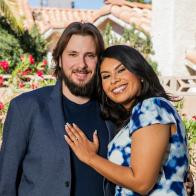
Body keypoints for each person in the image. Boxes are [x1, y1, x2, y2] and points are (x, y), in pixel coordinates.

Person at [0, 22, 115, 196]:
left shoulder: (113, 112)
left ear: (99, 61)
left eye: (90, 55)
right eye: (73, 54)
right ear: (60, 59)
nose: (81, 64)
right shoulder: (26, 108)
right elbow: (5, 183)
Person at [64, 45, 190, 195]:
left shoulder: (150, 107)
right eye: (106, 76)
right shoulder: (137, 116)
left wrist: (90, 157)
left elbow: (141, 183)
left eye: (121, 70)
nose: (114, 80)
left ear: (140, 73)